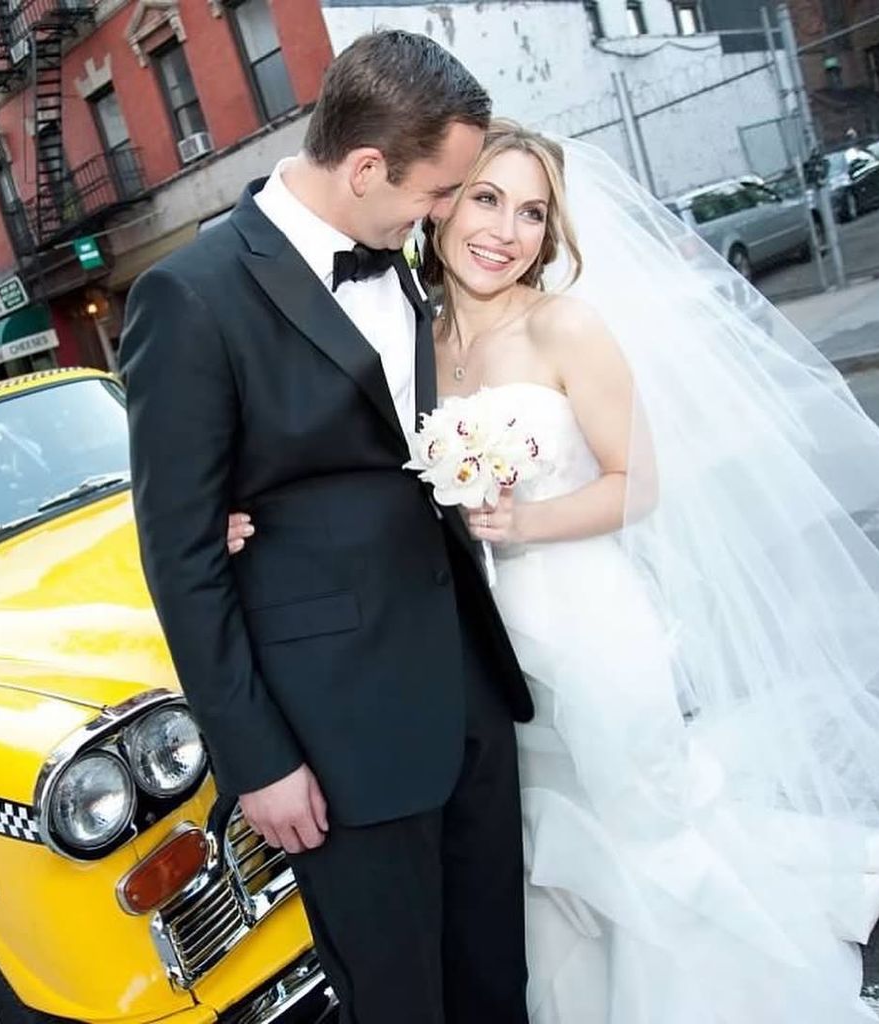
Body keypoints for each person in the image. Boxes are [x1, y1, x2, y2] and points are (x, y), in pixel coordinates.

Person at [228, 119, 879, 1022]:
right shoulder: (407, 334)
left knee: (642, 831)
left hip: (589, 630)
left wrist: (527, 520)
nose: (505, 231)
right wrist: (249, 517)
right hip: (476, 652)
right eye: (486, 198)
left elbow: (640, 485)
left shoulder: (566, 330)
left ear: (552, 234)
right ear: (443, 204)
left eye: (532, 213)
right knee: (537, 850)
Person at [119, 33, 532, 1024]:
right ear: (363, 167)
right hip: (339, 735)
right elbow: (180, 558)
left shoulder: (403, 266)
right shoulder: (190, 298)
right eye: (438, 192)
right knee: (397, 1002)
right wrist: (256, 757)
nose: (446, 216)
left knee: (494, 980)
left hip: (467, 690)